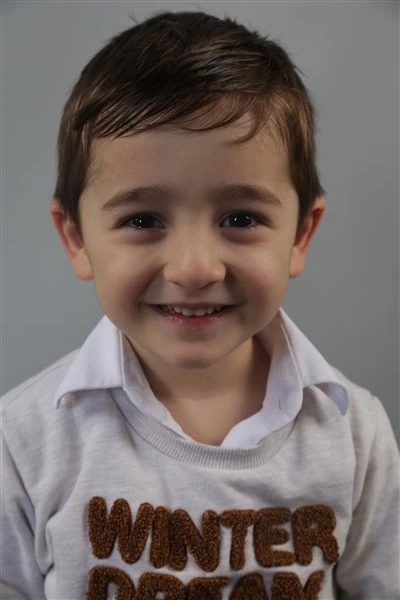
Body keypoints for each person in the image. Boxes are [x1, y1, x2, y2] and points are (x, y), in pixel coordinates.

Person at [1, 9, 399, 600]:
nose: (193, 268)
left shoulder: (354, 431)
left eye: (240, 218)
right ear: (77, 239)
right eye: (143, 220)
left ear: (300, 235)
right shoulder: (22, 440)